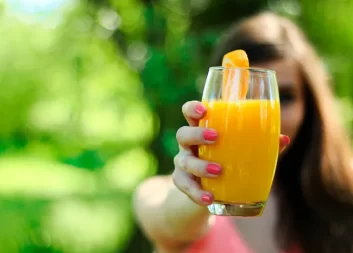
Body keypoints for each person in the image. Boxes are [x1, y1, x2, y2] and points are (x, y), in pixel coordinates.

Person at [133, 11, 353, 253]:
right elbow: (168, 223)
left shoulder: (343, 198)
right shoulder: (161, 193)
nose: (267, 112)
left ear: (309, 108)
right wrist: (199, 195)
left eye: (286, 96)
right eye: (245, 92)